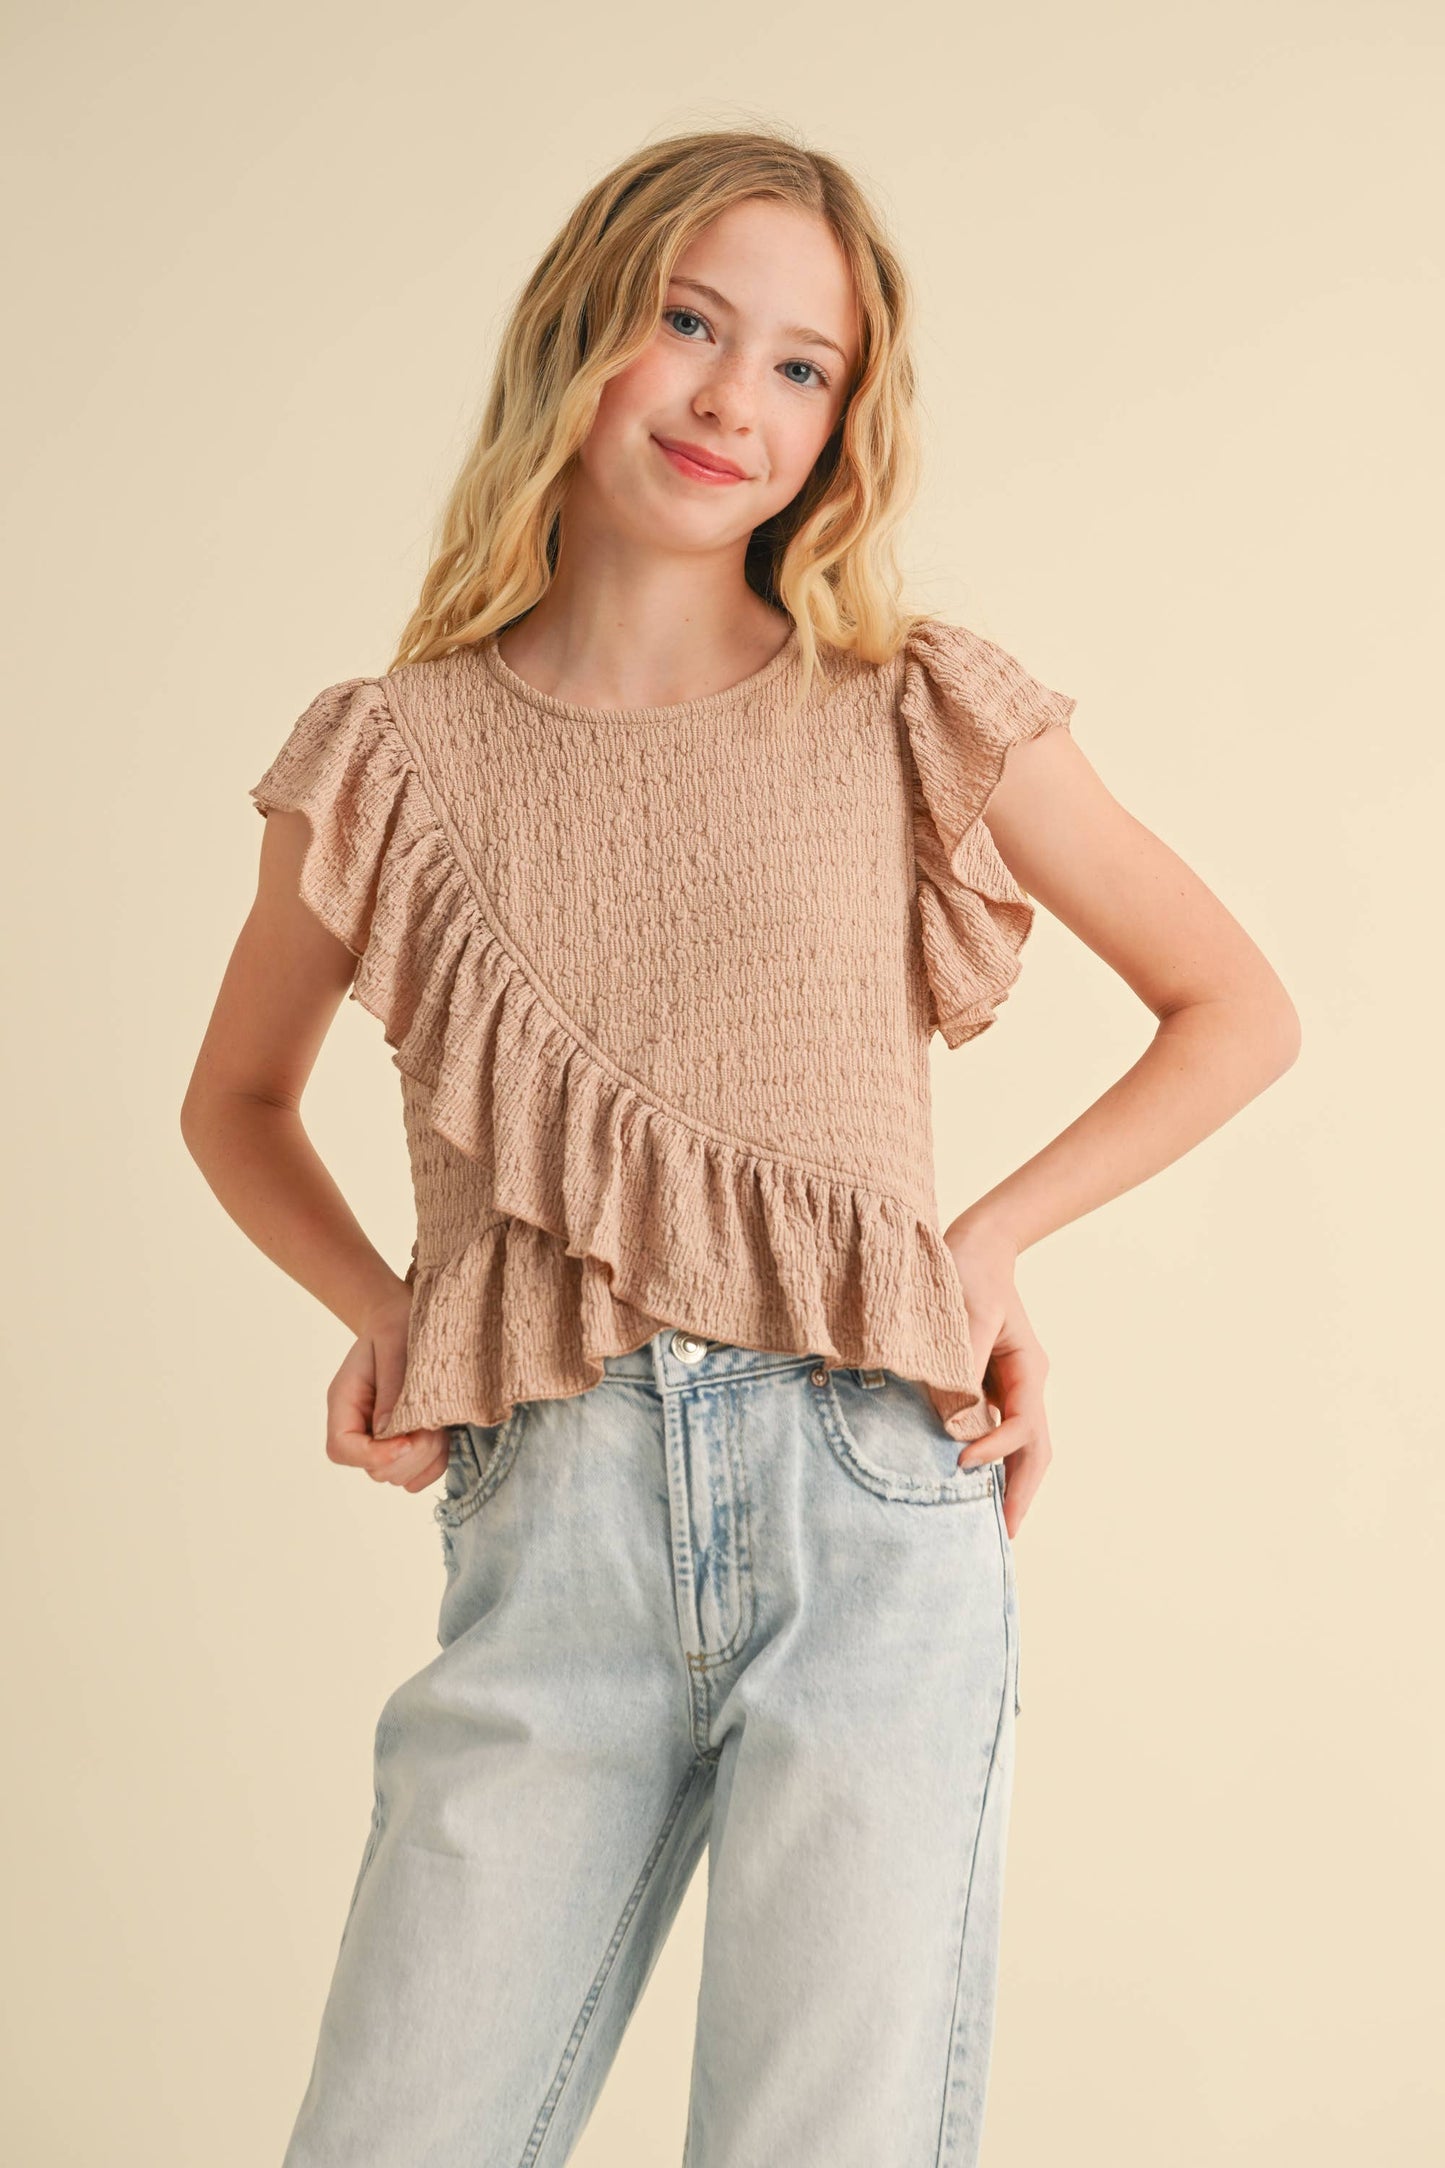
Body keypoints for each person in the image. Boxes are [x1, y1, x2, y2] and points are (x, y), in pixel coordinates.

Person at [181, 126, 1300, 2168]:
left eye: (804, 366)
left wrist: (986, 1242)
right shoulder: (389, 753)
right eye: (693, 324)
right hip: (553, 1521)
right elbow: (232, 1103)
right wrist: (383, 1306)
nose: (733, 397)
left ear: (843, 426)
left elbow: (1240, 1005)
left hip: (874, 1503)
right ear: (579, 333)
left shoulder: (910, 706)